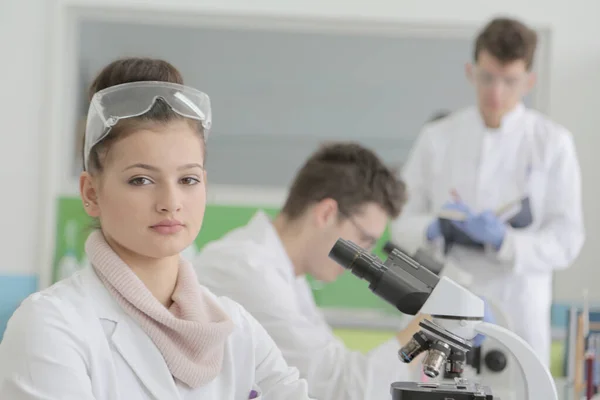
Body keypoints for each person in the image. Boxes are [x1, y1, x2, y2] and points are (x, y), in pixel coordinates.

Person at [0, 58, 314, 399]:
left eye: (188, 179)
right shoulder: (50, 326)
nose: (170, 202)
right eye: (141, 180)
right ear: (91, 193)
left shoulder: (237, 330)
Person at [391, 17, 585, 368]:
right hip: (443, 298)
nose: (497, 92)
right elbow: (399, 225)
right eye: (487, 77)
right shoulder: (437, 138)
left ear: (530, 80)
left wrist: (505, 242)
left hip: (518, 305)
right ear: (470, 71)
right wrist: (432, 227)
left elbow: (568, 239)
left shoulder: (553, 143)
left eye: (510, 81)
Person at [193, 143, 428, 400]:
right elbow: (343, 389)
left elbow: (335, 368)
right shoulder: (244, 268)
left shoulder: (289, 276)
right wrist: (428, 327)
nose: (367, 255)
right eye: (364, 239)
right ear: (326, 213)